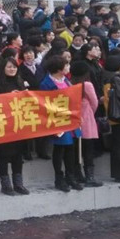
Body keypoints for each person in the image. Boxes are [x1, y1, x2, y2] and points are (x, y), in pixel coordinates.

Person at [39, 56, 84, 192]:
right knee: (60, 149)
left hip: (70, 119)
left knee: (70, 148)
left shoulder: (66, 81)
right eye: (66, 65)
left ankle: (71, 176)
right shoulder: (46, 83)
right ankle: (59, 178)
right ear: (59, 68)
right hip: (57, 120)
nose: (68, 67)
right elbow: (44, 104)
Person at [0, 57, 30, 196]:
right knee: (4, 155)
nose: (12, 69)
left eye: (14, 67)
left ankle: (18, 184)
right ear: (3, 68)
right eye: (9, 67)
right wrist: (8, 97)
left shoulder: (20, 82)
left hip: (18, 122)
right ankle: (5, 185)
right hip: (3, 123)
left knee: (18, 155)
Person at [70, 61, 103, 187]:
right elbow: (94, 102)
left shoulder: (70, 83)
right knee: (88, 149)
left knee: (76, 149)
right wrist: (89, 112)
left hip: (74, 120)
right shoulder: (87, 84)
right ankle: (90, 176)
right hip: (87, 119)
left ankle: (77, 174)